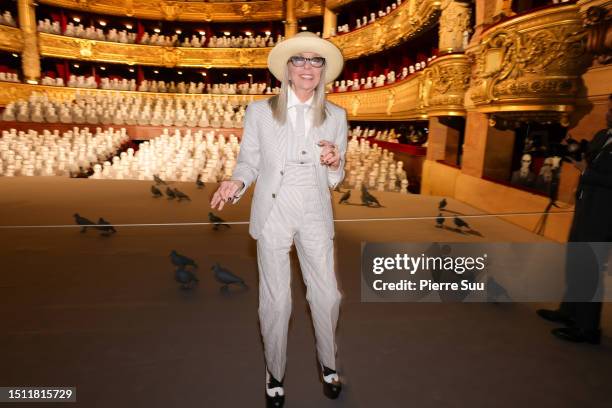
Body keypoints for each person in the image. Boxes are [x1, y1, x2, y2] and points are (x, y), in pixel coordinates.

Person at [210, 32, 347, 407]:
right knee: (277, 300)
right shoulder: (259, 112)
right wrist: (236, 181)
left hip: (315, 208)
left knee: (328, 294)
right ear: (286, 69)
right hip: (274, 209)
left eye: (315, 61)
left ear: (323, 71)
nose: (307, 67)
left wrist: (335, 162)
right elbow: (249, 160)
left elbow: (337, 176)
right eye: (299, 60)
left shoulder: (337, 116)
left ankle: (329, 363)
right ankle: (274, 371)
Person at [537, 94, 612, 344]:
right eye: (609, 108)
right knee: (576, 262)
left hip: (604, 216)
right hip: (585, 208)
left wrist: (586, 170)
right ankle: (569, 312)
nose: (608, 113)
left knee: (591, 268)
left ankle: (588, 329)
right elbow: (588, 155)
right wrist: (573, 148)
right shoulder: (603, 135)